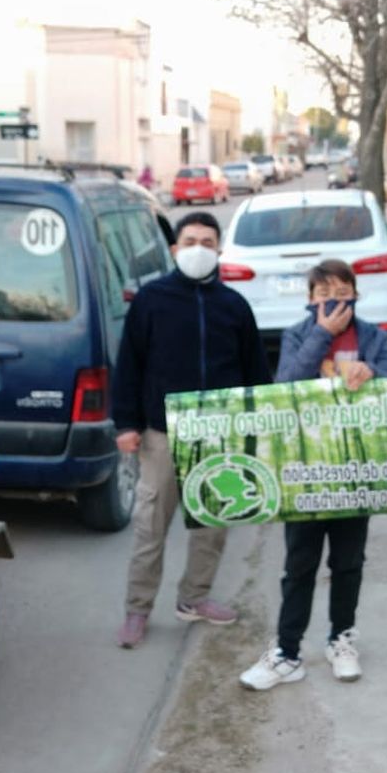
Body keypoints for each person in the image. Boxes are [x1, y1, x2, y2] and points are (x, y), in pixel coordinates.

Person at [112, 211, 273, 649]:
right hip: (161, 434)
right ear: (174, 248)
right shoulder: (151, 301)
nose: (198, 248)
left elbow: (255, 371)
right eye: (190, 241)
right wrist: (126, 423)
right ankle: (137, 609)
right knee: (150, 526)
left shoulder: (234, 306)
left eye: (207, 241)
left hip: (220, 435)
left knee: (212, 524)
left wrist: (259, 428)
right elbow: (129, 365)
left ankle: (194, 598)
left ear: (219, 249)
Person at [238, 259, 387, 690]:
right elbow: (286, 382)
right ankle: (287, 652)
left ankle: (341, 639)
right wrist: (323, 335)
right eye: (323, 290)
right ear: (311, 299)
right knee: (299, 564)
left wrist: (374, 373)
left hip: (356, 468)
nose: (334, 298)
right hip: (305, 469)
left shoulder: (372, 336)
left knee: (348, 561)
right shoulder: (296, 335)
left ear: (355, 294)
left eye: (342, 289)